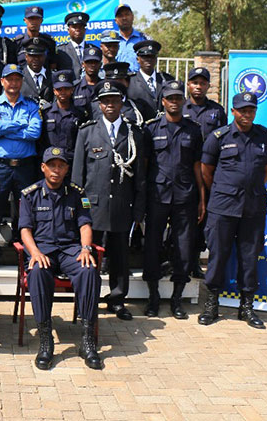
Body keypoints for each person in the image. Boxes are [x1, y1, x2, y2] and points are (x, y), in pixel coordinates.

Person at [19, 147, 101, 370]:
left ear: (66, 169)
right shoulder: (30, 194)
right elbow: (25, 230)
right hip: (43, 250)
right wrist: (35, 253)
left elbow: (85, 224)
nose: (56, 170)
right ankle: (46, 339)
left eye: (61, 166)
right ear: (43, 167)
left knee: (88, 270)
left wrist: (86, 248)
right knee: (37, 272)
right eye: (52, 165)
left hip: (69, 249)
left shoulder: (76, 193)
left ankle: (87, 340)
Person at [72, 82, 146, 321]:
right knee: (88, 255)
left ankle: (117, 300)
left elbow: (140, 177)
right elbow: (77, 175)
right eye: (105, 101)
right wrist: (76, 207)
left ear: (122, 102)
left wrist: (138, 209)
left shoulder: (134, 133)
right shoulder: (87, 132)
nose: (110, 105)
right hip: (92, 206)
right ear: (99, 104)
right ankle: (87, 299)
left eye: (114, 100)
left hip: (121, 205)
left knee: (119, 258)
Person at [199, 92, 267, 329]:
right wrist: (224, 191)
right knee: (218, 256)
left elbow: (266, 170)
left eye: (251, 110)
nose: (247, 114)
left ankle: (246, 307)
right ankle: (212, 305)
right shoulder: (218, 137)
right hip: (223, 207)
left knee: (250, 258)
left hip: (253, 207)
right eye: (242, 110)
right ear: (233, 111)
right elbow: (206, 170)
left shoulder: (263, 136)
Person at [142, 80, 205, 319]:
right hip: (157, 196)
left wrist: (201, 198)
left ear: (183, 100)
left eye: (179, 98)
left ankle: (177, 298)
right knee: (152, 246)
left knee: (183, 247)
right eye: (170, 98)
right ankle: (153, 297)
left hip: (185, 196)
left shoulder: (193, 129)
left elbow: (197, 166)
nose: (175, 102)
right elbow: (146, 167)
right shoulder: (151, 129)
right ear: (164, 101)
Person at [0, 64, 42, 267]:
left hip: (25, 166)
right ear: (2, 81)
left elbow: (35, 132)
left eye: (17, 79)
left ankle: (25, 254)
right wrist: (21, 124)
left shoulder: (31, 105)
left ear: (22, 82)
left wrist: (6, 128)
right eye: (9, 79)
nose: (13, 83)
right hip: (0, 166)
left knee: (25, 211)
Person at [183, 67, 227, 278]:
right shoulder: (181, 107)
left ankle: (194, 261)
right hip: (184, 171)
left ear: (208, 86)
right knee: (185, 218)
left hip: (209, 171)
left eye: (202, 83)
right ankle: (182, 260)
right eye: (194, 82)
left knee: (204, 216)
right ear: (188, 85)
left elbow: (224, 140)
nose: (198, 86)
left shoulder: (217, 111)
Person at [39, 70, 87, 155]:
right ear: (54, 91)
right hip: (51, 160)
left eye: (66, 89)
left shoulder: (80, 114)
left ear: (72, 90)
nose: (63, 92)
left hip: (71, 160)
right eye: (59, 89)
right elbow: (41, 141)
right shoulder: (46, 113)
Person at [126, 40, 174, 122]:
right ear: (138, 59)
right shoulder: (129, 81)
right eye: (145, 57)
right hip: (140, 129)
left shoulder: (167, 79)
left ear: (156, 59)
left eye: (152, 57)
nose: (148, 60)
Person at [56, 12, 98, 79]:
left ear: (85, 29)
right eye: (74, 27)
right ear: (68, 30)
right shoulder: (61, 51)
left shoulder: (93, 49)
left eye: (81, 27)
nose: (78, 30)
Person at [113, 4, 148, 72]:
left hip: (138, 80)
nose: (124, 18)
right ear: (116, 21)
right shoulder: (112, 40)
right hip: (118, 79)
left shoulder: (143, 39)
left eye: (127, 14)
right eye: (120, 16)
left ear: (132, 17)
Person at [72, 47, 104, 117]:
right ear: (83, 64)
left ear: (100, 65)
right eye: (89, 62)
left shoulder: (105, 87)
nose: (92, 65)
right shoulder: (74, 88)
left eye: (95, 62)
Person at [19, 38, 53, 103]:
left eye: (39, 56)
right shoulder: (19, 77)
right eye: (32, 56)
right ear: (26, 56)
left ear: (44, 56)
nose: (36, 59)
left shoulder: (52, 76)